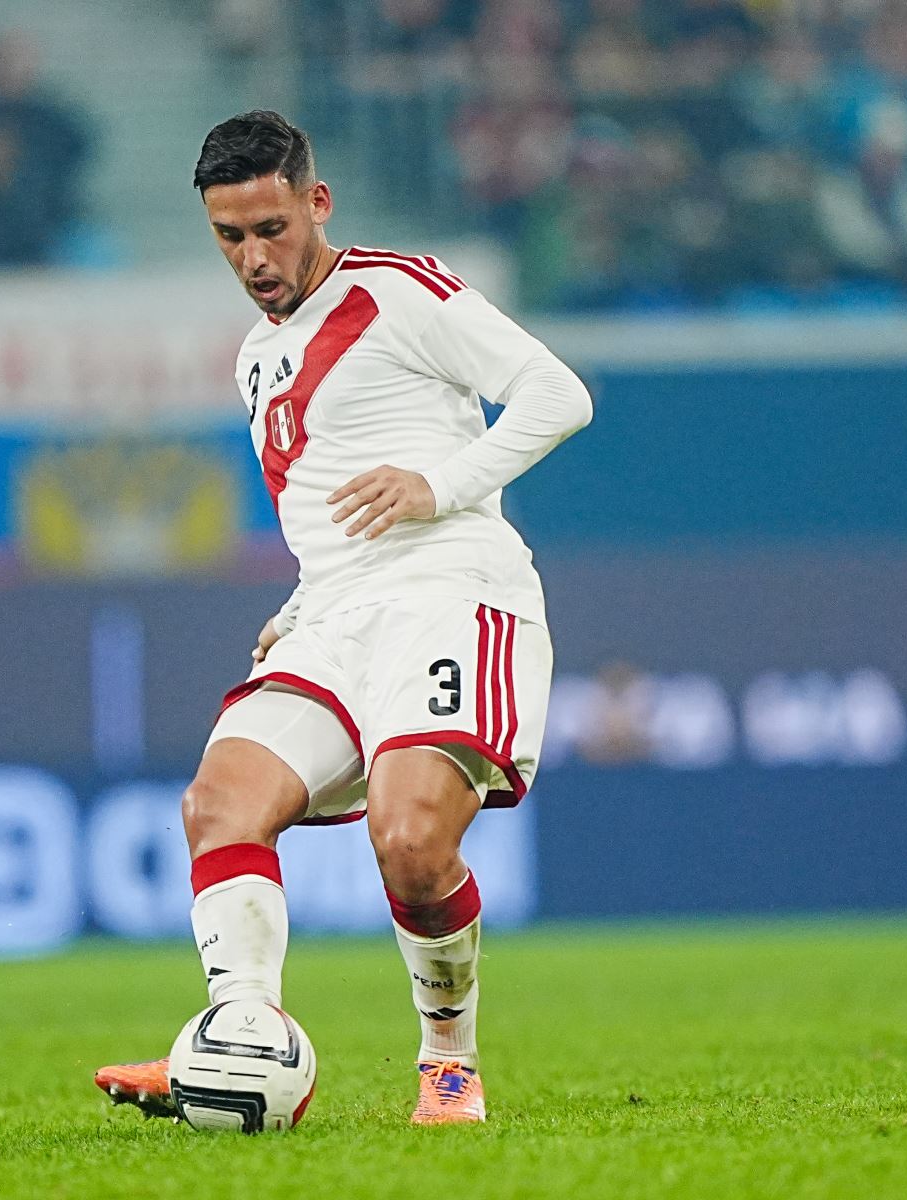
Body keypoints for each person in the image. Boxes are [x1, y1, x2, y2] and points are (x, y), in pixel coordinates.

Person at [93, 111, 592, 1125]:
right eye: (230, 236)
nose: (254, 256)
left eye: (271, 227)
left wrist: (439, 484)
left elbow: (557, 393)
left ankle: (448, 1064)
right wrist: (299, 602)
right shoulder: (254, 359)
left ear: (316, 203)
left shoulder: (400, 291)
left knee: (411, 843)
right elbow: (326, 519)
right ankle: (238, 1041)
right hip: (335, 614)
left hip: (454, 590)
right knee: (217, 805)